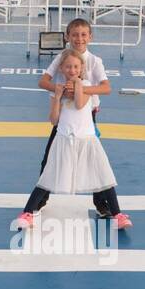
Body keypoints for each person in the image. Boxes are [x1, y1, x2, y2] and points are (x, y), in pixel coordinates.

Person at [12, 47, 131, 230]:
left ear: (81, 68)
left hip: (87, 139)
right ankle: (27, 213)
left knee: (103, 174)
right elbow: (54, 119)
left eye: (76, 67)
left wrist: (77, 85)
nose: (72, 70)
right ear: (62, 68)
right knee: (48, 174)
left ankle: (118, 214)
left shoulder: (88, 85)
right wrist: (58, 95)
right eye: (68, 67)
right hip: (64, 138)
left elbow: (79, 103)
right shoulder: (59, 88)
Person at [36, 18, 110, 173]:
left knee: (94, 158)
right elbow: (43, 82)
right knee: (50, 155)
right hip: (63, 112)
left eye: (83, 35)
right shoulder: (61, 58)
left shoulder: (95, 61)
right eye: (75, 35)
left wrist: (80, 89)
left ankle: (101, 196)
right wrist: (62, 90)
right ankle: (41, 196)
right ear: (67, 37)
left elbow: (106, 88)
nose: (79, 39)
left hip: (87, 114)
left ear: (90, 37)